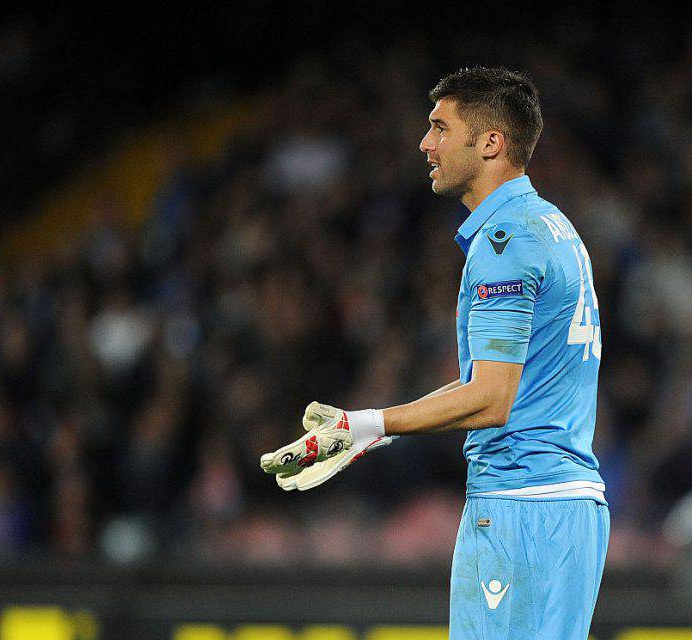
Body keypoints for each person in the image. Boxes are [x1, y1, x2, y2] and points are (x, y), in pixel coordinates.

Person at [260, 66, 609, 639]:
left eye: (440, 127)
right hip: (564, 508)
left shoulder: (505, 244)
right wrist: (372, 430)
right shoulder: (550, 226)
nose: (426, 143)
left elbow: (492, 401)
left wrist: (365, 423)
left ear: (490, 142)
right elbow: (497, 382)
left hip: (520, 507)